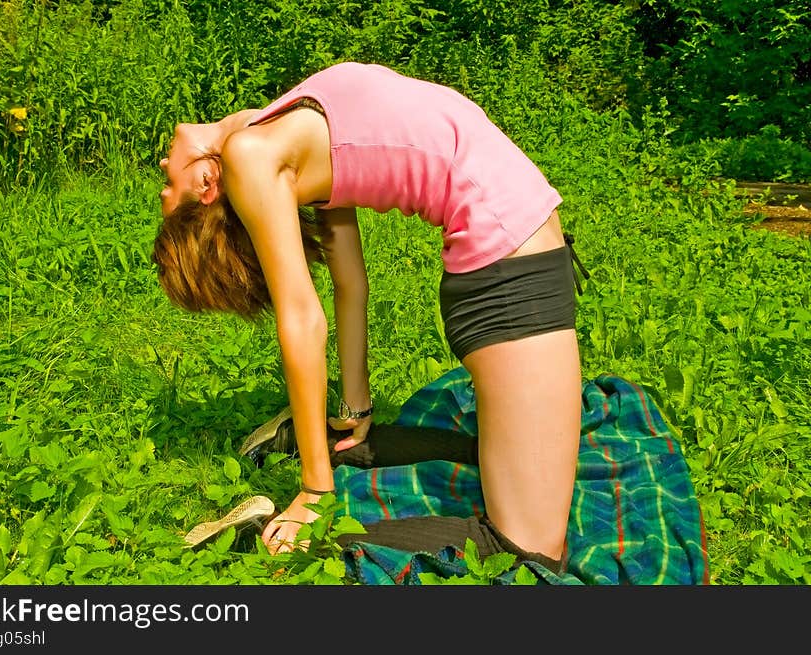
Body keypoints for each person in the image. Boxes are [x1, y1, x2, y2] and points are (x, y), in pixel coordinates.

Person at [152, 62, 587, 574]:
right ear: (207, 184)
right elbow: (303, 317)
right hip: (509, 271)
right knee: (531, 547)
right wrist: (316, 491)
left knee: (515, 466)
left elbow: (351, 284)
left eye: (163, 188)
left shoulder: (274, 126)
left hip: (513, 256)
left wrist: (355, 410)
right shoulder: (254, 152)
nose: (161, 176)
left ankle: (325, 445)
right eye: (168, 194)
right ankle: (286, 534)